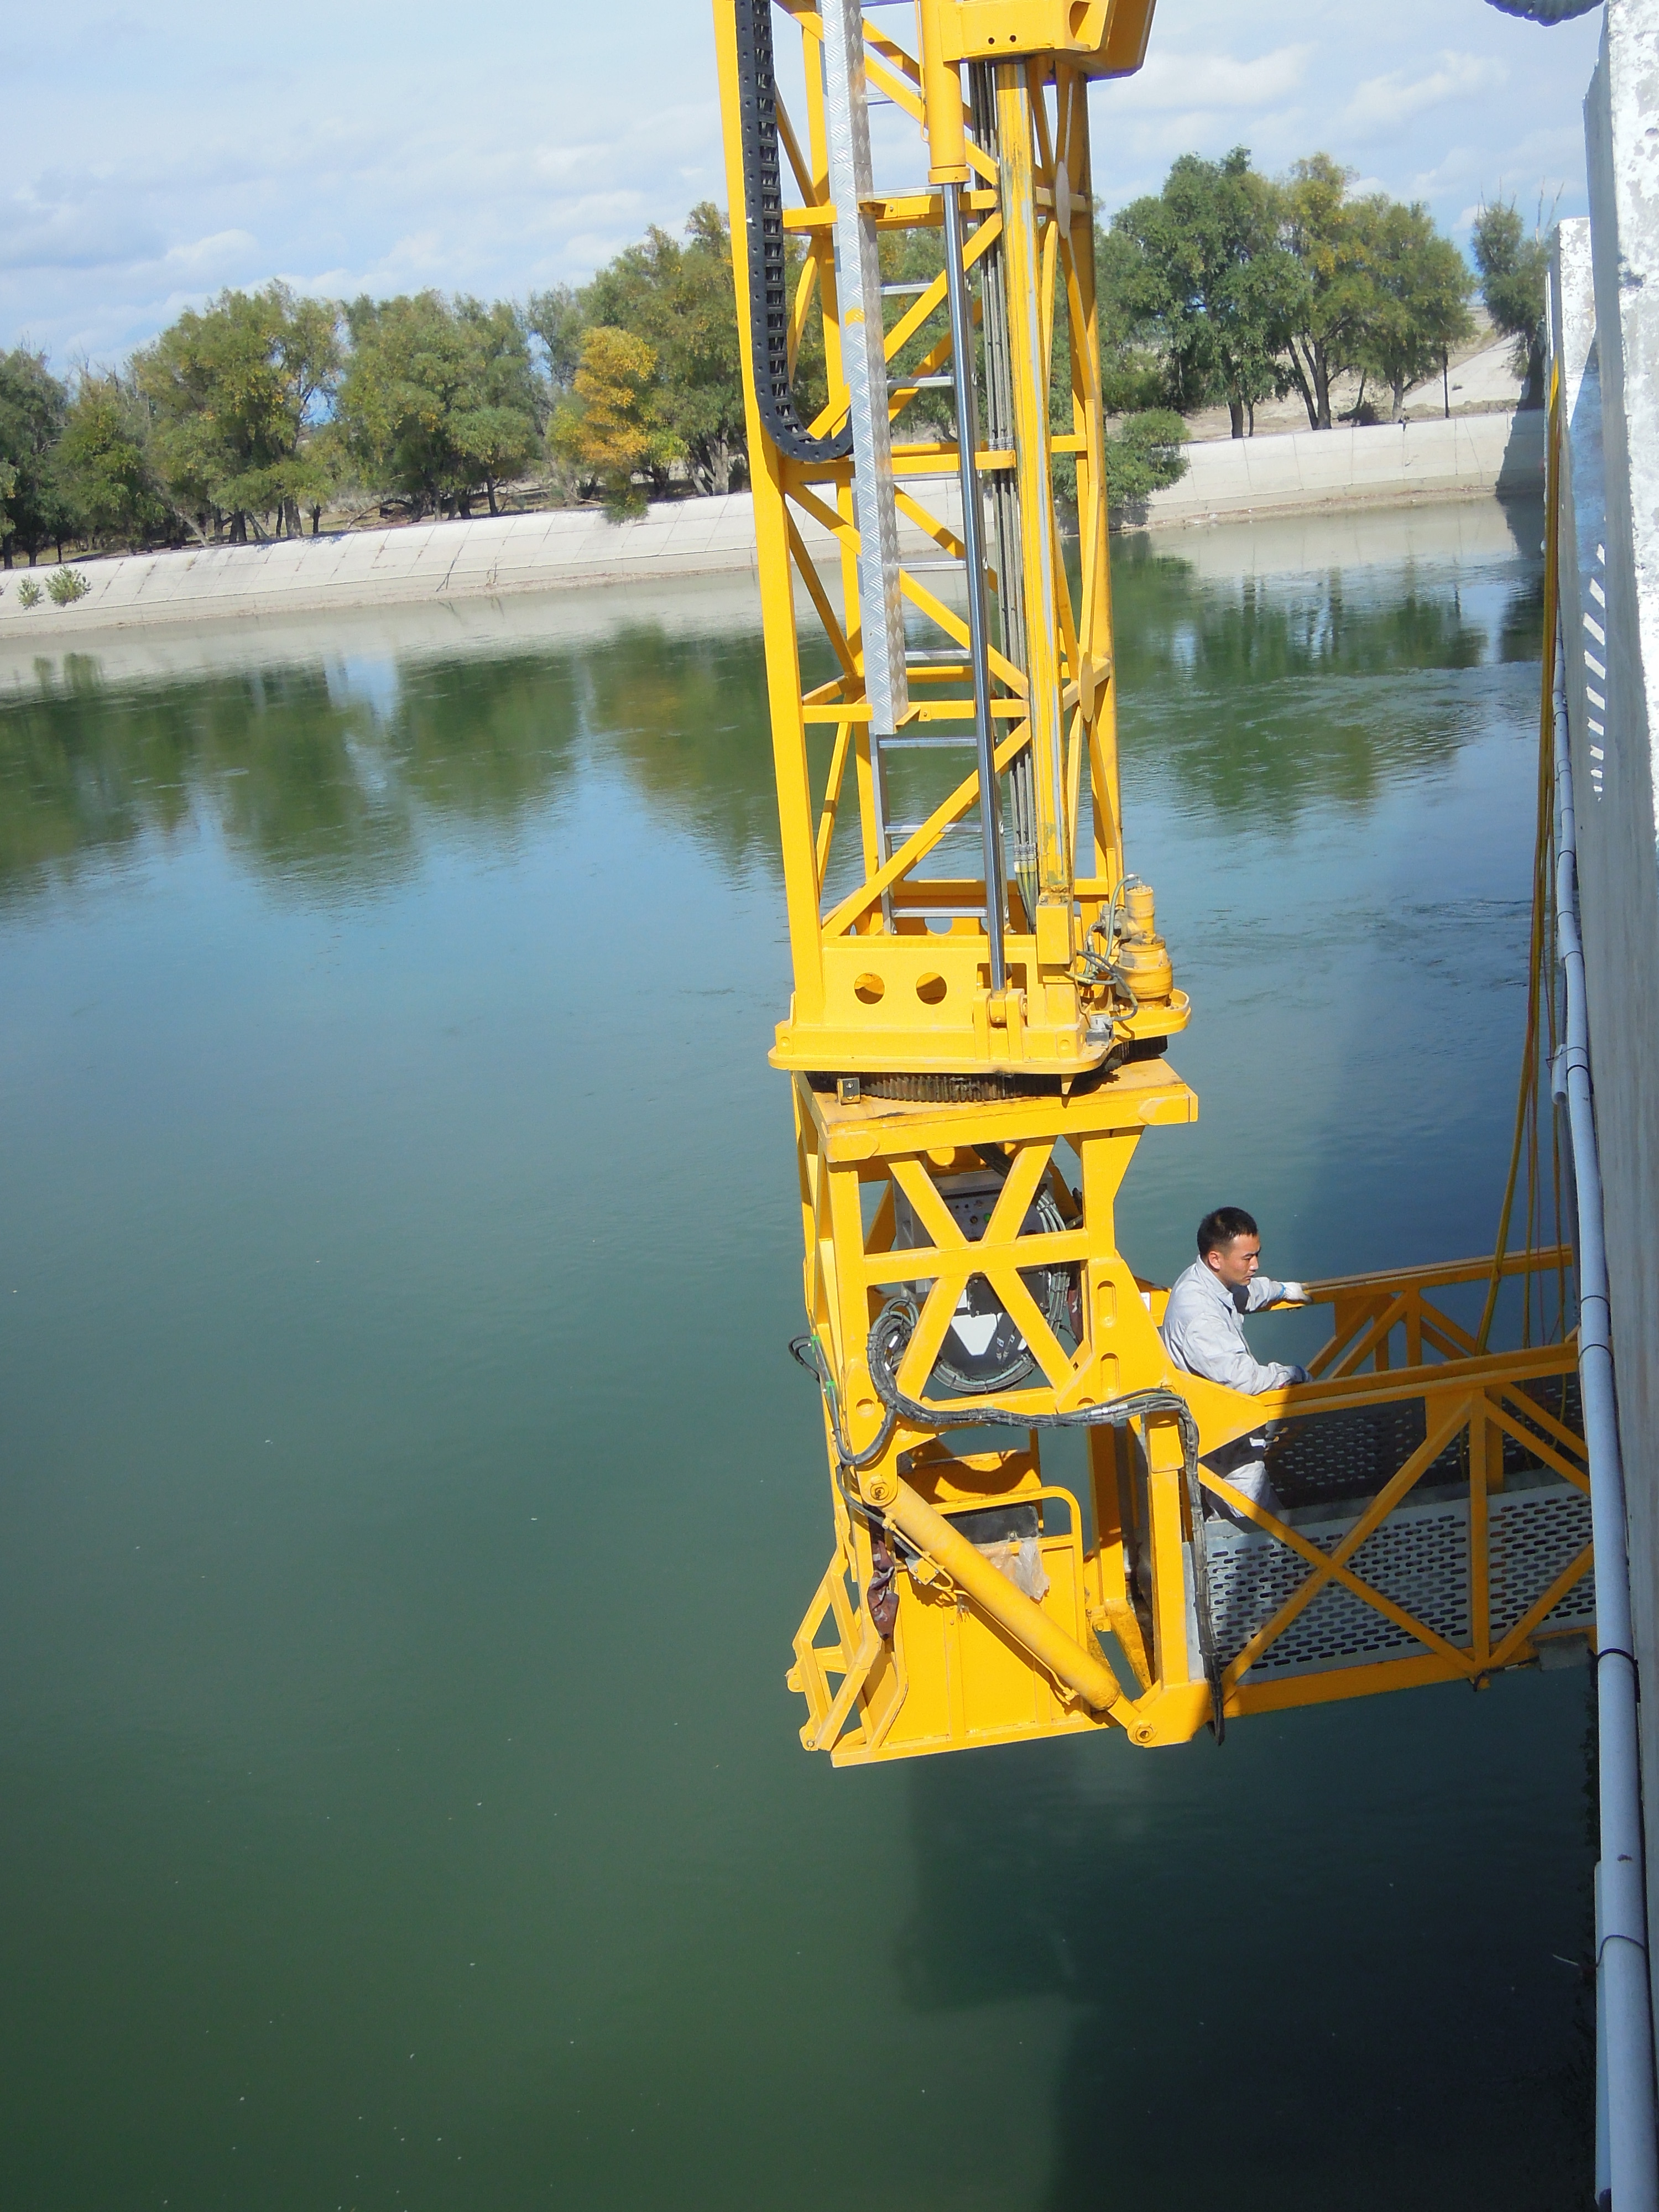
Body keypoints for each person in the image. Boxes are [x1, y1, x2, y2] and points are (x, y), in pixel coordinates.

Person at [1161, 1206, 1310, 1528]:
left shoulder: (1208, 1280)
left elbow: (1243, 1293)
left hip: (1225, 1433)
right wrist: (1290, 1374)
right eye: (1248, 1259)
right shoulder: (1199, 1316)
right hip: (1222, 1444)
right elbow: (1241, 1379)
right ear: (1217, 1259)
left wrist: (1281, 1290)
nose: (1255, 1265)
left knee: (1243, 1520)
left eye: (1257, 1255)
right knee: (1259, 1530)